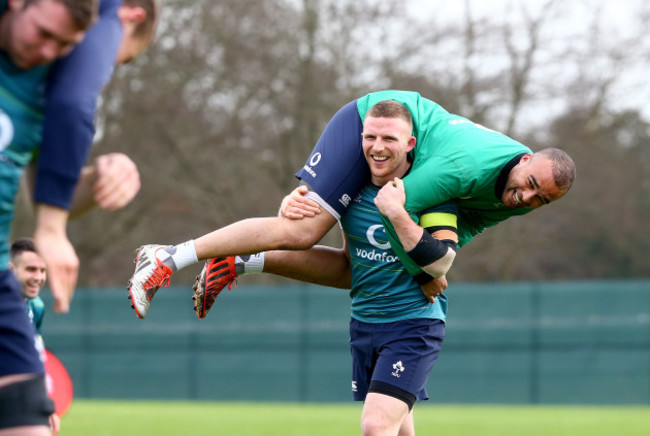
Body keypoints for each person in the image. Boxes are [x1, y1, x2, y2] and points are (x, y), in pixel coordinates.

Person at [127, 91, 575, 319]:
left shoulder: (521, 195)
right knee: (304, 230)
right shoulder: (464, 167)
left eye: (542, 200)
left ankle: (242, 261)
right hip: (378, 128)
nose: (529, 197)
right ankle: (166, 256)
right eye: (531, 184)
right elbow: (390, 204)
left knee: (360, 268)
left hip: (408, 166)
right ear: (526, 156)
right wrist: (424, 270)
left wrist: (439, 260)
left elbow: (468, 223)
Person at [0, 1, 158, 434]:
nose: (54, 54)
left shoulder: (44, 88)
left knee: (33, 423)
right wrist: (50, 227)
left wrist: (100, 179)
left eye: (69, 45)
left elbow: (44, 193)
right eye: (113, 56)